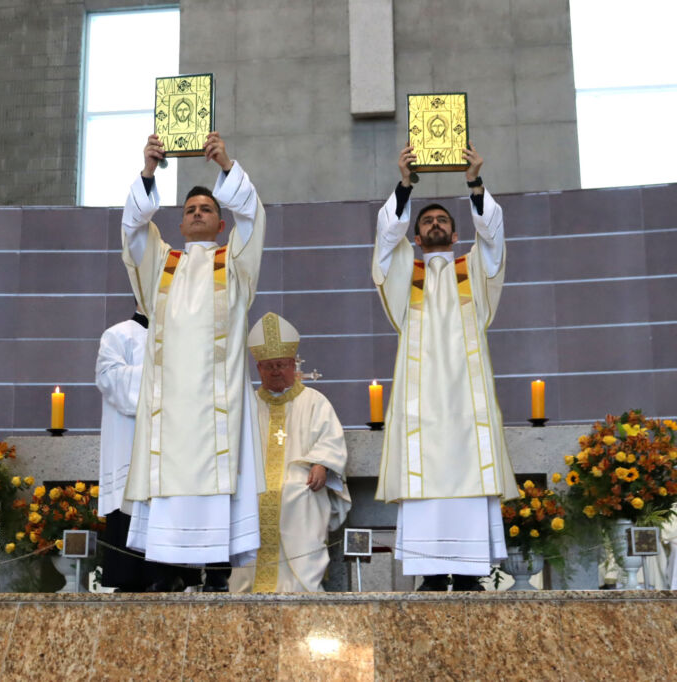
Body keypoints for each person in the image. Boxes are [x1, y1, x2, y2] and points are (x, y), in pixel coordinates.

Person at [121, 131, 266, 592]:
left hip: (218, 405)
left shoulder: (235, 263)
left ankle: (216, 570)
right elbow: (133, 231)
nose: (198, 213)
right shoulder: (161, 263)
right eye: (190, 210)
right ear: (181, 225)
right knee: (168, 480)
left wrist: (226, 166)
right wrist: (149, 173)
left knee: (220, 476)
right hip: (169, 409)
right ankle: (168, 569)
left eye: (206, 209)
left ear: (221, 224)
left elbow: (252, 215)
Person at [372, 142, 518, 591]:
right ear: (416, 238)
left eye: (443, 221)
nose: (435, 224)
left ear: (456, 236)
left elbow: (493, 237)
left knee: (470, 479)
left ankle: (472, 573)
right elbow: (384, 243)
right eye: (427, 222)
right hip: (421, 411)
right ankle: (433, 575)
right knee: (425, 485)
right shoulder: (404, 273)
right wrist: (404, 185)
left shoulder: (474, 269)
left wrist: (475, 182)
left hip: (467, 410)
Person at [230, 313, 352, 593]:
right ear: (258, 368)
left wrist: (321, 464)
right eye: (269, 366)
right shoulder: (247, 405)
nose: (276, 371)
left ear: (293, 364)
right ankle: (249, 588)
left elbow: (331, 441)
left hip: (302, 483)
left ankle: (300, 587)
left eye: (281, 365)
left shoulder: (315, 402)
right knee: (250, 500)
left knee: (297, 494)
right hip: (255, 486)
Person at [94, 303, 151, 592]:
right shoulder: (118, 335)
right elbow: (110, 379)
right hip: (130, 446)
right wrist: (162, 373)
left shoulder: (181, 337)